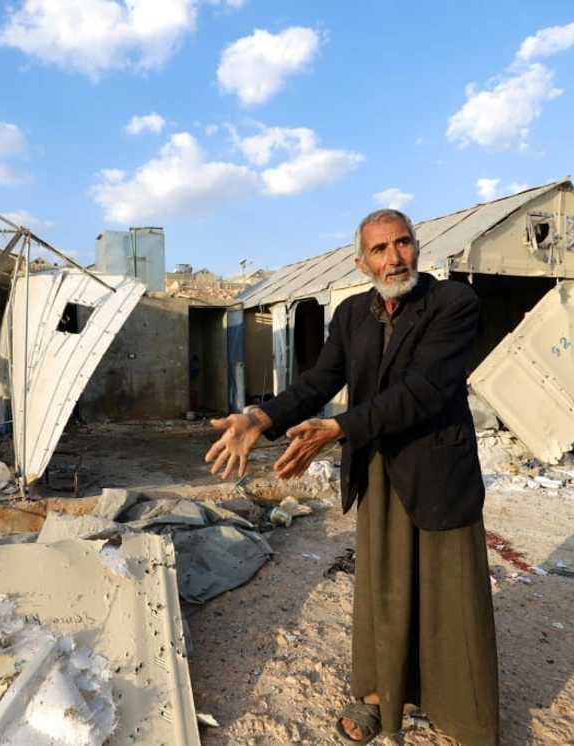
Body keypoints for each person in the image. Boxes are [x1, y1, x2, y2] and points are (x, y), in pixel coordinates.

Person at [205, 208, 498, 744]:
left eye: (402, 244)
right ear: (362, 262)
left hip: (437, 465)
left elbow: (423, 391)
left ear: (417, 246)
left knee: (448, 594)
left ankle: (462, 715)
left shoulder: (453, 304)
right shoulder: (351, 315)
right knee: (384, 588)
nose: (394, 258)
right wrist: (261, 418)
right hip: (378, 464)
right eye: (380, 250)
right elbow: (319, 379)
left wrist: (337, 428)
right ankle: (379, 696)